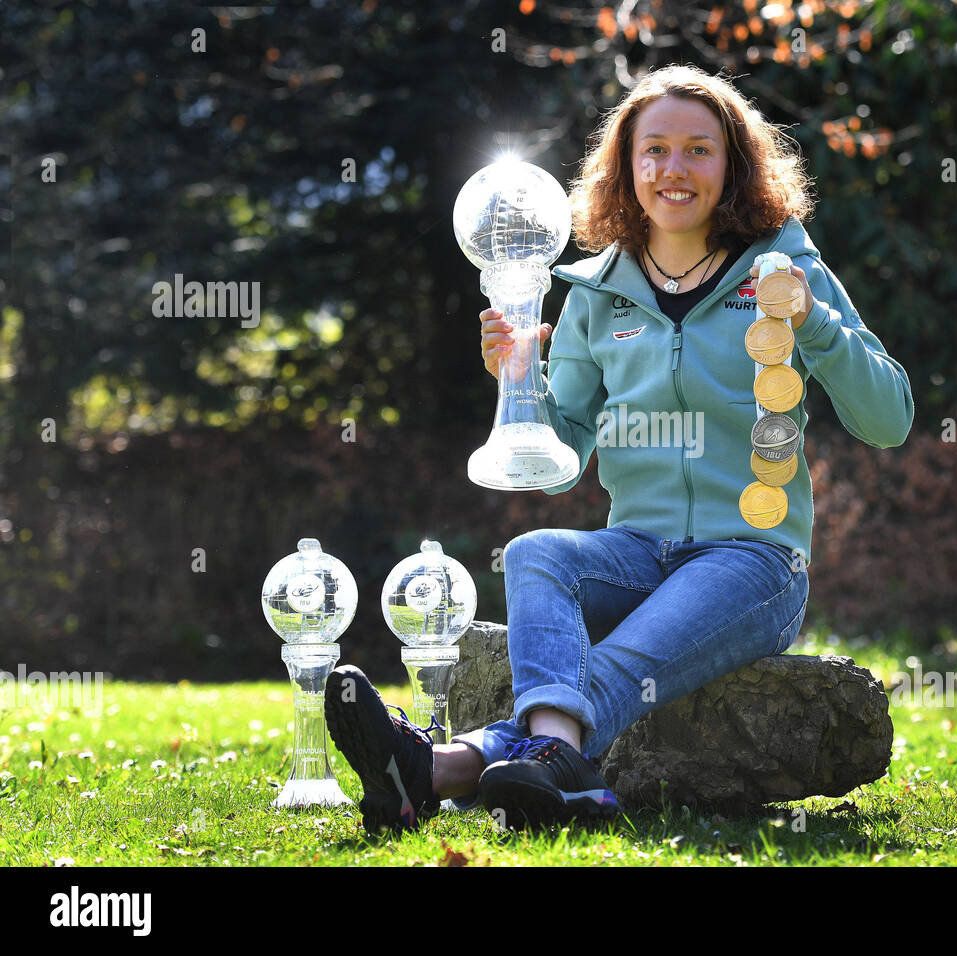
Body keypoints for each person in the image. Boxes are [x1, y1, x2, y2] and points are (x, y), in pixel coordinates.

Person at [324, 63, 914, 834]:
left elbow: (890, 419)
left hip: (754, 560)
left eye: (698, 150)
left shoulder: (786, 266)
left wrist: (817, 327)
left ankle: (462, 766)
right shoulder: (595, 289)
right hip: (634, 549)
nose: (674, 169)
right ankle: (463, 773)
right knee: (538, 552)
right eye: (654, 150)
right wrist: (519, 383)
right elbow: (563, 446)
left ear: (733, 165)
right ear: (626, 167)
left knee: (615, 668)